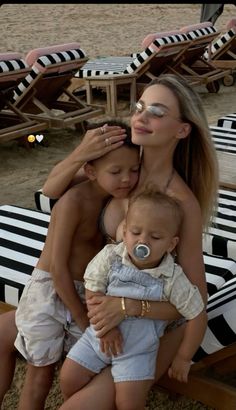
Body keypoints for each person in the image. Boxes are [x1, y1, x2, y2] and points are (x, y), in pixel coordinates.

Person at [0, 74, 219, 410]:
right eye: (140, 107)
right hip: (103, 299)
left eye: (157, 112)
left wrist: (129, 308)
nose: (141, 117)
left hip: (147, 323)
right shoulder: (122, 168)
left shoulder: (178, 201)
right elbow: (51, 190)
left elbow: (195, 300)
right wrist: (80, 153)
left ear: (182, 130)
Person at [0, 120, 140, 410]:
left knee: (80, 370)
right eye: (116, 172)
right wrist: (80, 314)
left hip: (85, 291)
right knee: (40, 375)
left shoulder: (115, 199)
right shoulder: (73, 201)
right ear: (90, 171)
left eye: (133, 170)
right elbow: (57, 269)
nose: (126, 179)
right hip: (50, 290)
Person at [59, 189, 207, 410]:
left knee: (129, 402)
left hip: (138, 351)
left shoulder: (172, 277)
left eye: (155, 237)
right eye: (135, 232)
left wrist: (184, 357)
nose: (143, 241)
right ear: (125, 231)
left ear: (171, 244)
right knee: (68, 377)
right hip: (100, 336)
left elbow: (197, 314)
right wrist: (106, 329)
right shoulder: (111, 257)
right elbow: (93, 290)